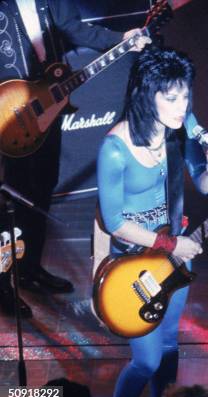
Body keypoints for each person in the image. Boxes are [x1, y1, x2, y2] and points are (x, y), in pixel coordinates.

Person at [97, 47, 208, 397]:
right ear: (147, 94)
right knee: (147, 360)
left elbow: (204, 186)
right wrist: (173, 246)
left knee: (171, 345)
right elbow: (114, 223)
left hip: (174, 256)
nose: (182, 107)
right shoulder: (115, 148)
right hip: (133, 264)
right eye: (172, 98)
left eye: (186, 96)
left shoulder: (178, 134)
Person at [0, 0, 149, 318]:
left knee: (39, 190)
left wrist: (120, 39)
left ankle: (28, 270)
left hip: (46, 108)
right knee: (7, 202)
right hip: (7, 113)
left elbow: (76, 29)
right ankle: (2, 285)